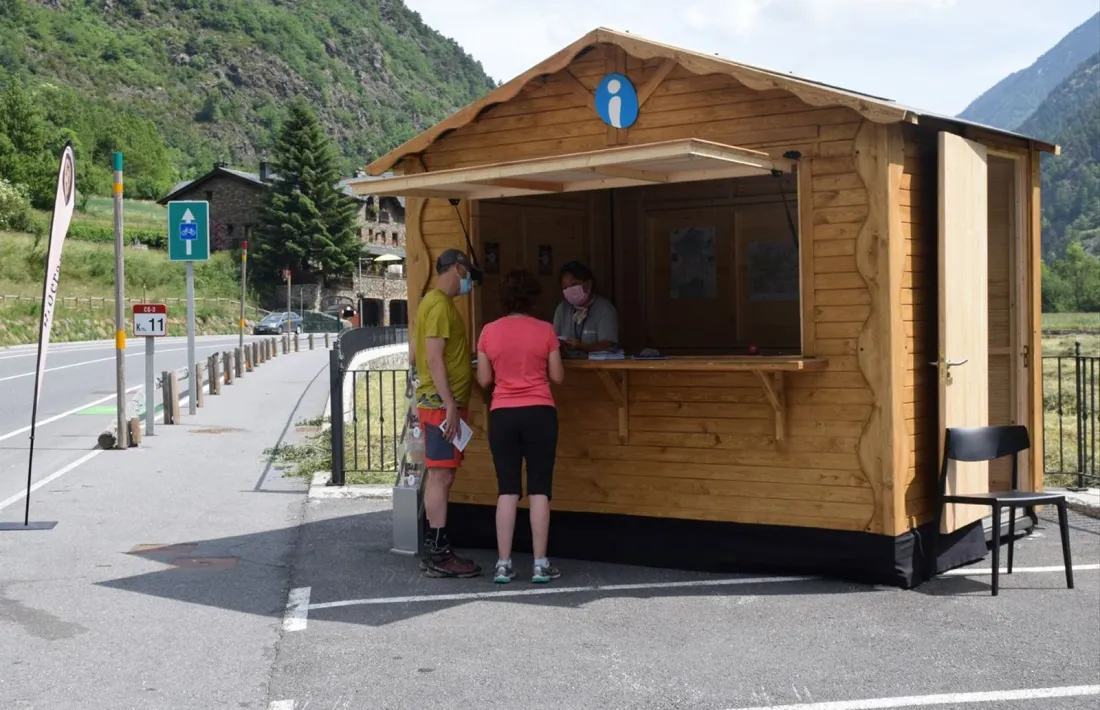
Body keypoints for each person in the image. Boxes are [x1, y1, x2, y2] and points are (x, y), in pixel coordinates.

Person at [476, 268, 565, 584]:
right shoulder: (546, 330)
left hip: (503, 413)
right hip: (540, 411)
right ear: (532, 299)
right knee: (540, 488)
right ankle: (540, 564)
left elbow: (485, 379)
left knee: (508, 489)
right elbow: (557, 377)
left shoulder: (488, 332)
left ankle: (503, 564)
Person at [412, 248, 483, 578]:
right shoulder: (440, 305)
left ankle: (438, 548)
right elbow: (434, 358)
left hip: (440, 403)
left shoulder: (431, 303)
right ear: (457, 267)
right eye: (468, 272)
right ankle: (438, 553)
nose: (469, 280)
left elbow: (419, 355)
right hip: (440, 406)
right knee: (441, 475)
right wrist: (450, 404)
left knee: (444, 474)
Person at [552, 260, 619, 354]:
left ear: (588, 284)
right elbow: (553, 341)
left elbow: (608, 344)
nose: (569, 290)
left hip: (596, 366)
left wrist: (583, 346)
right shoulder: (562, 309)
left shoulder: (605, 309)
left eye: (574, 284)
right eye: (565, 287)